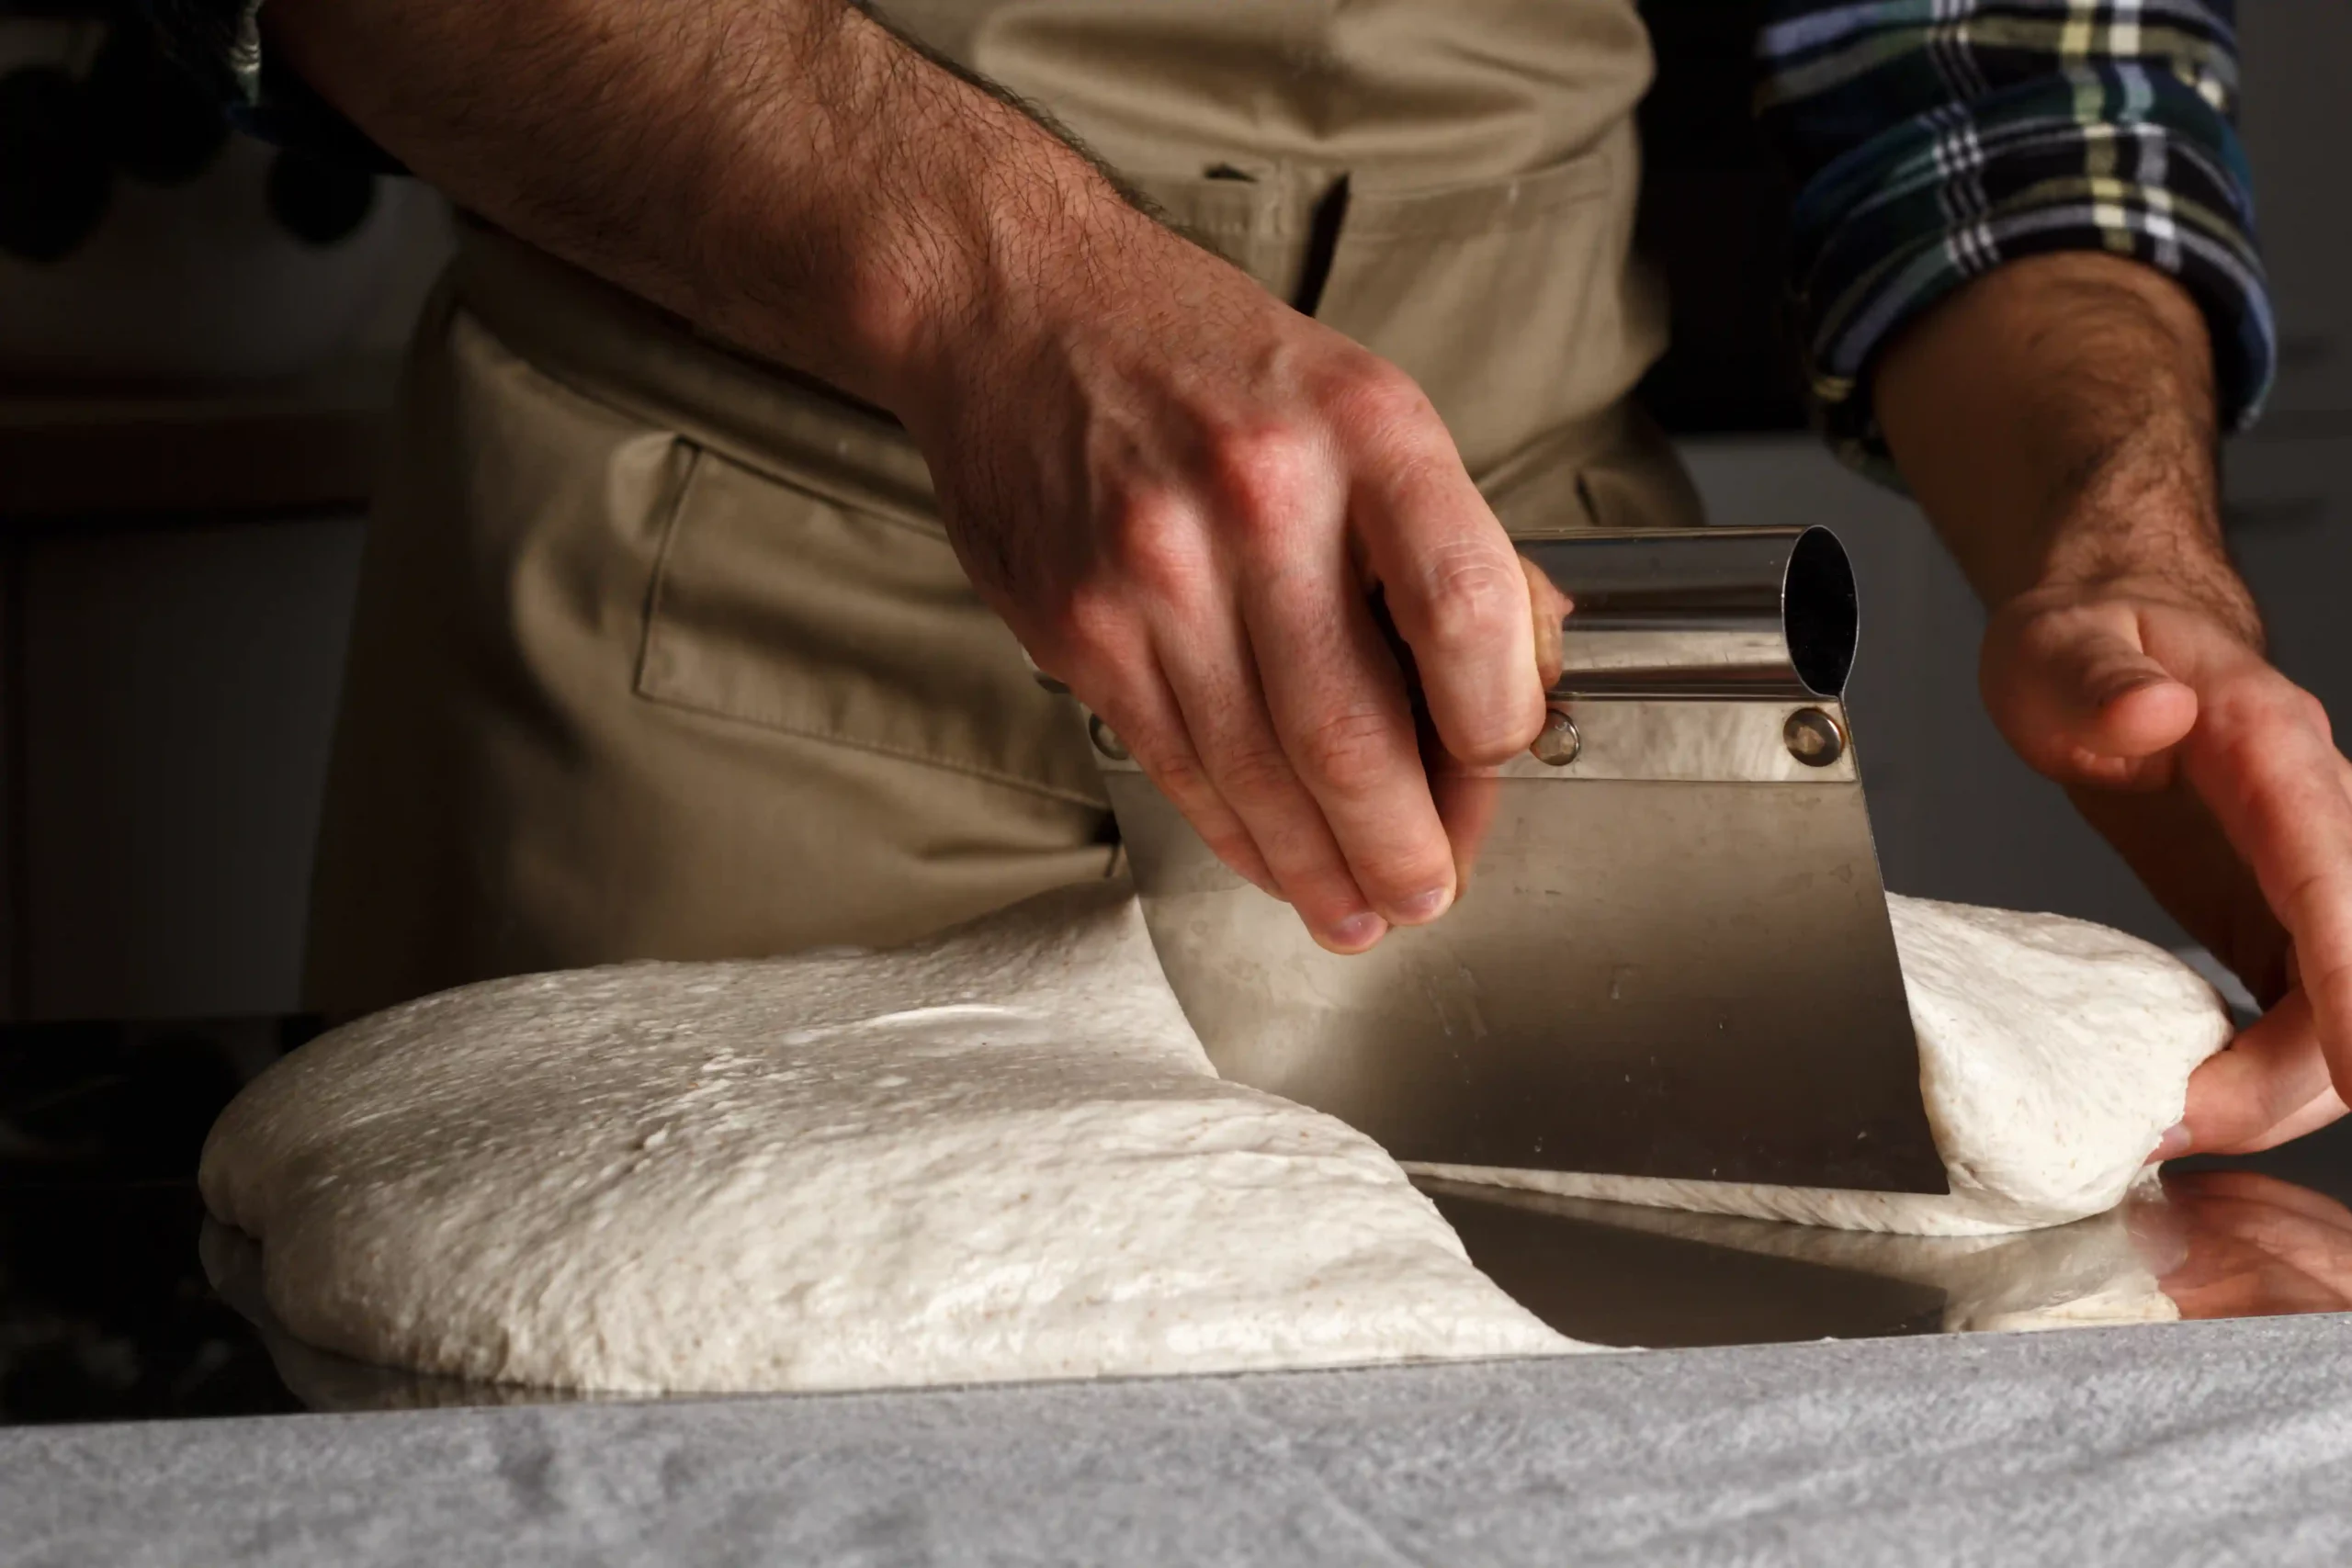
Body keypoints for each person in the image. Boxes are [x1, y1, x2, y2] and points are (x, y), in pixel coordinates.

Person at [150, 0, 2344, 1159]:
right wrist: (984, 282)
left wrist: (2111, 538)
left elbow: (1979, 51)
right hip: (731, 584)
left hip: (1521, 637)